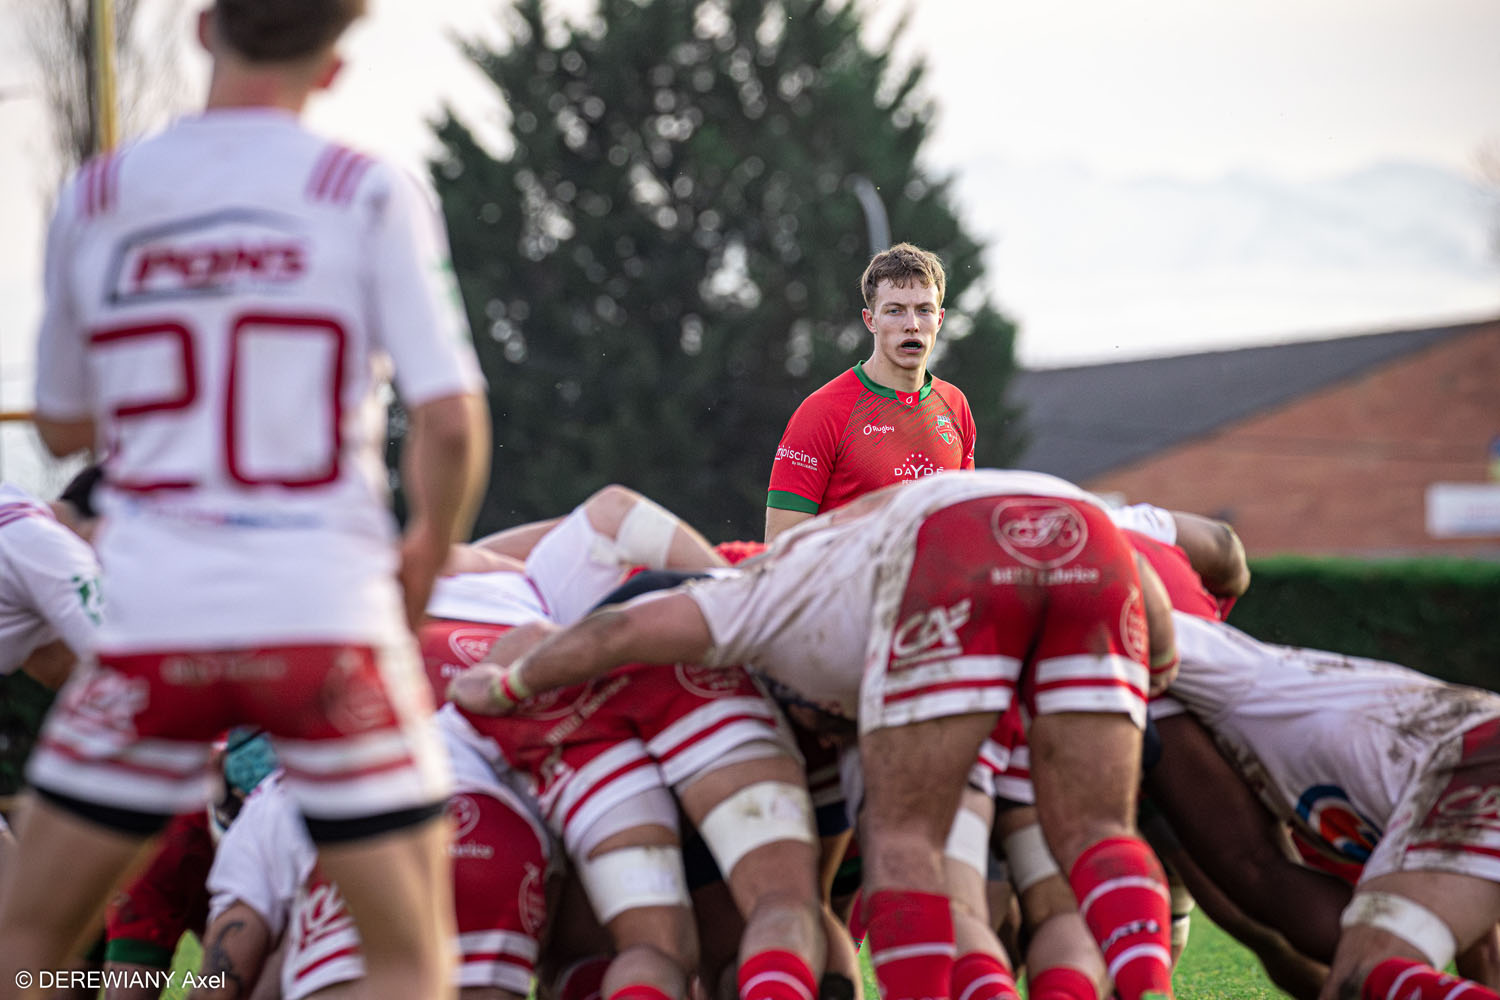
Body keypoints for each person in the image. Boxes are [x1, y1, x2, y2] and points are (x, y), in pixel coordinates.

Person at [0, 2, 490, 997]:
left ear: (202, 30)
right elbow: (450, 423)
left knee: (29, 945)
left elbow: (58, 426)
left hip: (154, 625)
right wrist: (425, 559)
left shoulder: (100, 193)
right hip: (323, 619)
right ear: (336, 63)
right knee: (408, 955)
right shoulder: (366, 189)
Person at [454, 469, 1182, 1000]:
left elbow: (621, 627)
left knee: (902, 842)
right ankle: (1147, 986)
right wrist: (1151, 661)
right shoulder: (821, 556)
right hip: (1086, 536)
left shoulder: (760, 590)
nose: (822, 727)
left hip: (948, 556)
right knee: (1095, 833)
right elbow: (1155, 597)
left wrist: (508, 685)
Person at [1162, 603, 1500, 1000]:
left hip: (1474, 755)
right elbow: (1483, 948)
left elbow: (1147, 617)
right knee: (1381, 975)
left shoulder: (1230, 676)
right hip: (1469, 758)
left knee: (1363, 982)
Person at [764, 243, 975, 542]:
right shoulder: (822, 411)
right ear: (870, 320)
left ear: (939, 320)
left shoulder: (955, 405)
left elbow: (963, 529)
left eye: (924, 310)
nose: (912, 325)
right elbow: (780, 546)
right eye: (895, 311)